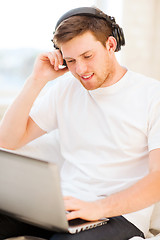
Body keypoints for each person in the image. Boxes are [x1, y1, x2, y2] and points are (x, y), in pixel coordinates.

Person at [0, 6, 160, 240]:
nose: (81, 69)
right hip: (65, 207)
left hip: (120, 215)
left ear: (111, 45)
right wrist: (37, 80)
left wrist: (98, 208)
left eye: (87, 56)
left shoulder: (152, 95)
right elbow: (8, 140)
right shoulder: (65, 89)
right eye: (71, 60)